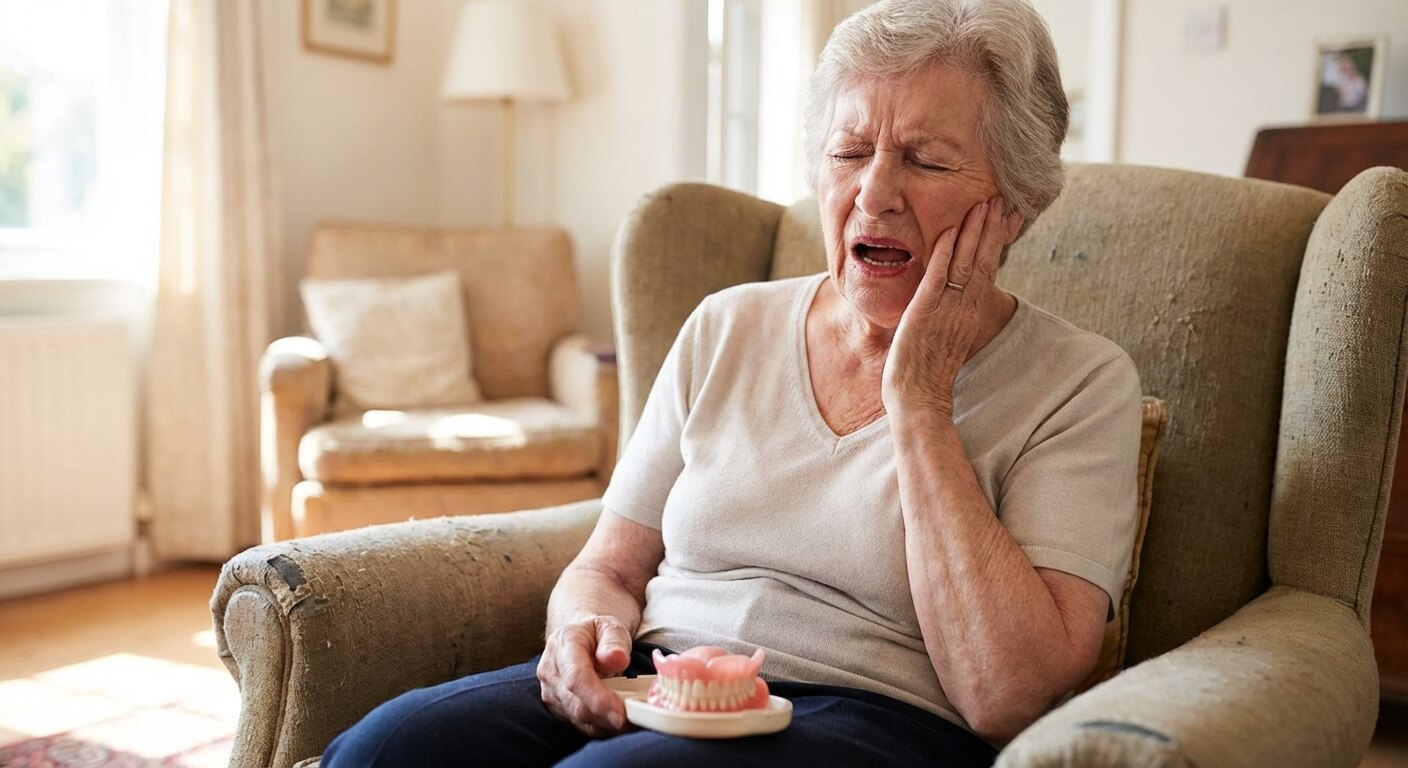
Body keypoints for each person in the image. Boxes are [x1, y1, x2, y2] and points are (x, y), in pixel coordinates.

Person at [323, 0, 1142, 764]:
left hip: (873, 711)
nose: (875, 194)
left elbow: (1010, 694)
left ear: (1017, 203)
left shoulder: (1080, 383)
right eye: (849, 153)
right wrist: (583, 630)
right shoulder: (727, 325)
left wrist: (919, 399)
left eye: (927, 161)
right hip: (662, 676)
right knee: (384, 749)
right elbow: (609, 565)